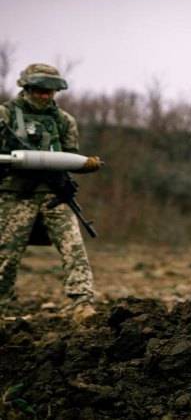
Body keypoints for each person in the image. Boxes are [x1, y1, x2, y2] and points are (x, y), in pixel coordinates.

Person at [0, 63, 101, 324]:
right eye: (39, 91)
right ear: (27, 88)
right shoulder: (5, 116)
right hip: (14, 195)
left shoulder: (64, 121)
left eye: (50, 92)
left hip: (52, 196)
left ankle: (82, 303)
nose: (45, 96)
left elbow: (68, 156)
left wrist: (85, 166)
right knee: (6, 255)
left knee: (74, 248)